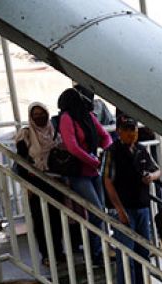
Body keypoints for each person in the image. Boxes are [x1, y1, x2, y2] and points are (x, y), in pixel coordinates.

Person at [102, 117, 159, 284]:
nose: (131, 133)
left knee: (143, 253)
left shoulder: (141, 149)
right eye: (127, 130)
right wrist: (119, 210)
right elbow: (108, 181)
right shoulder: (112, 152)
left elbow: (156, 170)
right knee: (126, 254)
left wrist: (151, 176)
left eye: (133, 130)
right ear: (118, 131)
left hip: (142, 206)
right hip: (124, 209)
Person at [57, 87, 112, 264]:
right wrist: (93, 160)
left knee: (100, 210)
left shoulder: (88, 116)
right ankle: (94, 252)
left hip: (93, 170)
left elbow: (105, 136)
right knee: (95, 210)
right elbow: (72, 147)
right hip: (78, 172)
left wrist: (105, 153)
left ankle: (98, 249)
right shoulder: (67, 119)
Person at [14, 102, 64, 267]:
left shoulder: (54, 131)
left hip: (55, 180)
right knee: (40, 220)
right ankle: (46, 254)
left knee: (56, 219)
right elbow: (21, 161)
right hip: (36, 181)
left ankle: (58, 252)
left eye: (42, 113)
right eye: (35, 114)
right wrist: (27, 185)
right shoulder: (26, 134)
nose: (39, 117)